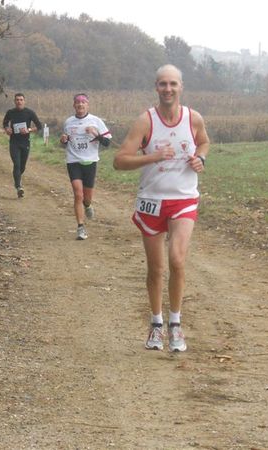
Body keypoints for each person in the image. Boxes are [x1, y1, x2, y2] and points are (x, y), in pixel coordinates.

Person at [113, 64, 209, 352]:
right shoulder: (145, 121)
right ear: (156, 87)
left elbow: (203, 142)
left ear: (181, 86)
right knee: (156, 269)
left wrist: (201, 159)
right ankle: (156, 324)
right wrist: (152, 157)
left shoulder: (194, 118)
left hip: (183, 199)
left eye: (173, 84)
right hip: (152, 201)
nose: (168, 89)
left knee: (177, 260)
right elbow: (119, 161)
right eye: (162, 84)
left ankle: (176, 325)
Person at [59, 93, 112, 240]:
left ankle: (88, 205)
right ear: (74, 105)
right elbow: (65, 141)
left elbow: (107, 143)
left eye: (83, 103)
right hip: (73, 160)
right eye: (77, 103)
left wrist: (96, 133)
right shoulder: (69, 122)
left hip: (90, 161)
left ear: (87, 105)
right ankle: (80, 227)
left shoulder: (96, 121)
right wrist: (63, 140)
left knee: (86, 198)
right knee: (78, 194)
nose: (80, 105)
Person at [2, 93, 42, 198]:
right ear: (14, 102)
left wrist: (29, 130)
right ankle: (18, 186)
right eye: (17, 100)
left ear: (24, 101)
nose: (19, 101)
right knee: (17, 164)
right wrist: (7, 129)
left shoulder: (29, 113)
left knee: (22, 166)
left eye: (21, 99)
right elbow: (5, 123)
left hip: (25, 142)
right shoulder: (10, 112)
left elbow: (39, 126)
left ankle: (18, 179)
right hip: (14, 142)